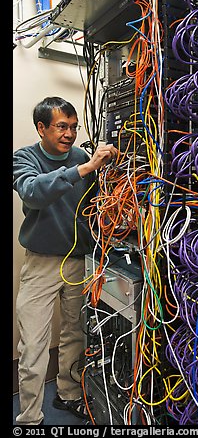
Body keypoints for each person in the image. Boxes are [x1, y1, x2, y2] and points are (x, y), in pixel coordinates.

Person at [13, 96, 118, 425]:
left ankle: (69, 393)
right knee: (33, 345)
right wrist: (85, 168)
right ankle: (29, 418)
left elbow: (98, 203)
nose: (69, 134)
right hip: (41, 264)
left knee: (75, 333)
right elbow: (34, 192)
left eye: (73, 127)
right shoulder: (24, 158)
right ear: (41, 128)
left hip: (78, 261)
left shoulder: (81, 157)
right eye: (62, 127)